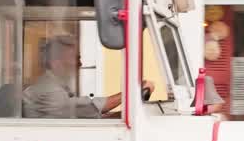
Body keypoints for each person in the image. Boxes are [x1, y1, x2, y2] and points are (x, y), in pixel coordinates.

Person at [23, 34, 152, 119]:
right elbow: (88, 108)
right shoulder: (49, 90)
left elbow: (87, 115)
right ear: (56, 63)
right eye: (75, 58)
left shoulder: (58, 86)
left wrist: (125, 115)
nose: (80, 63)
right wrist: (133, 91)